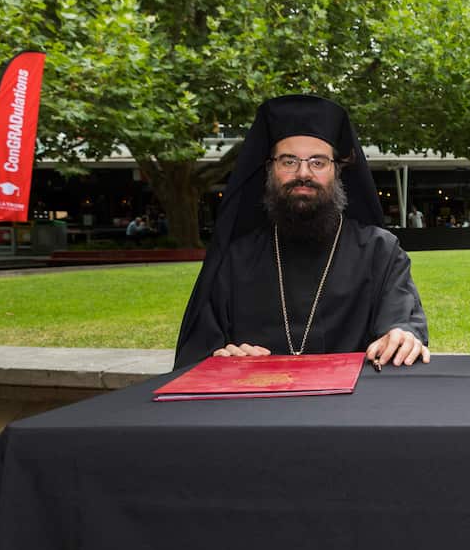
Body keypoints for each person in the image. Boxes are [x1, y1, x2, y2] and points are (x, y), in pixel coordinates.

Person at [175, 94, 428, 369]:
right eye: (289, 161)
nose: (303, 173)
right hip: (257, 396)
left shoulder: (380, 251)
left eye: (318, 162)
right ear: (270, 169)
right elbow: (199, 352)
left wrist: (402, 335)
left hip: (357, 395)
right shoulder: (236, 258)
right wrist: (224, 359)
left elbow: (401, 321)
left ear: (337, 171)